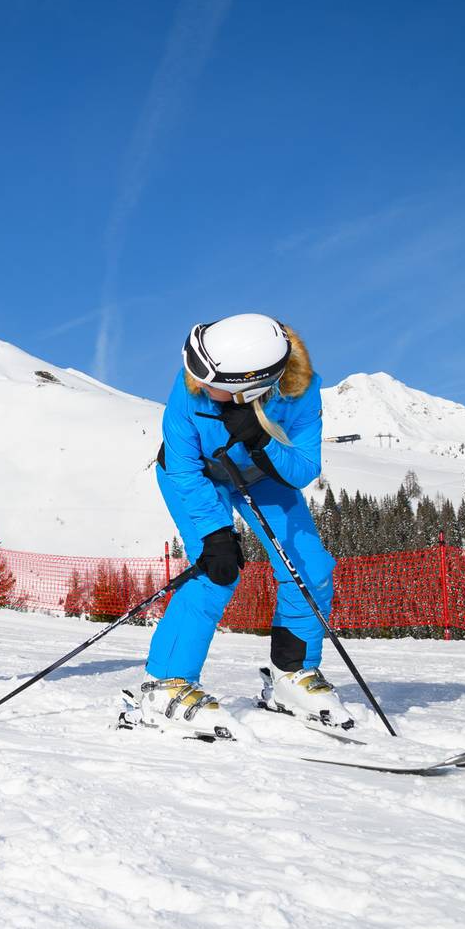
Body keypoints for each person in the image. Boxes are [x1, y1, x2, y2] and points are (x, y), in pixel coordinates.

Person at [134, 313, 347, 738]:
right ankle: (165, 685)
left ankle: (293, 676)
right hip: (194, 475)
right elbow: (181, 463)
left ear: (249, 387)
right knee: (216, 571)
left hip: (262, 474)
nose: (195, 382)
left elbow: (304, 468)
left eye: (208, 379)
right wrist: (215, 533)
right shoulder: (189, 384)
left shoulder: (301, 392)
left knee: (311, 570)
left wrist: (261, 440)